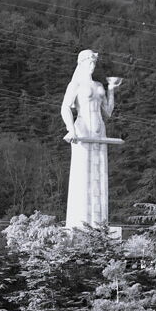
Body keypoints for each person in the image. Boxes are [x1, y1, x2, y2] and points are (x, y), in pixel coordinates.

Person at [59, 50, 123, 228]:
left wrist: (111, 90)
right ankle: (80, 223)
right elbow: (65, 107)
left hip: (99, 130)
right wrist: (71, 129)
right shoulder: (76, 84)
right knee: (83, 172)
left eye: (94, 63)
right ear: (81, 63)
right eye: (89, 62)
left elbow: (108, 112)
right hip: (82, 129)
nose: (92, 65)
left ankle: (100, 226)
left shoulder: (98, 85)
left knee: (100, 172)